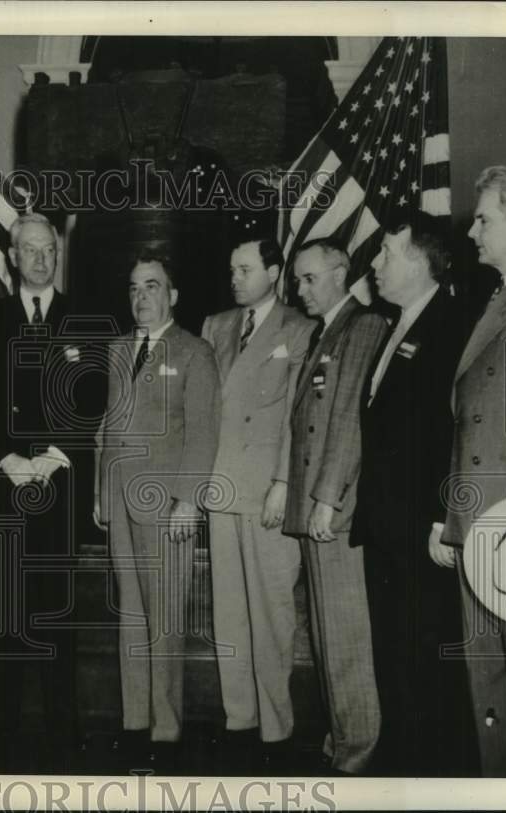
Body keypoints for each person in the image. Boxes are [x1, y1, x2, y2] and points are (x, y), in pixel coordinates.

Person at [0, 213, 107, 770]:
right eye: (30, 250)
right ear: (11, 256)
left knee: (56, 610)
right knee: (3, 610)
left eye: (49, 250)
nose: (41, 259)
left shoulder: (83, 319)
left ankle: (61, 729)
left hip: (59, 484)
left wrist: (50, 458)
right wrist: (9, 460)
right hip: (6, 485)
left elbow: (92, 398)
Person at [352, 215, 475, 776]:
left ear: (422, 261)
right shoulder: (393, 326)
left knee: (427, 656)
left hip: (422, 530)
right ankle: (401, 760)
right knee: (395, 656)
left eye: (386, 253)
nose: (374, 264)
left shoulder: (453, 325)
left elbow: (452, 430)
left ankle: (432, 772)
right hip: (384, 527)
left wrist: (438, 515)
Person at [439, 166, 506, 777]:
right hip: (479, 518)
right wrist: (449, 517)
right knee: (490, 681)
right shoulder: (499, 295)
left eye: (484, 218)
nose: (473, 230)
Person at [96, 253, 220, 768]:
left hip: (168, 505)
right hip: (122, 502)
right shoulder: (118, 350)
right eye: (133, 288)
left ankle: (165, 731)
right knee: (131, 614)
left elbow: (204, 429)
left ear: (173, 295)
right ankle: (134, 721)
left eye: (152, 287)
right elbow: (107, 428)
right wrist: (101, 493)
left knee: (165, 619)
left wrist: (189, 500)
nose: (141, 297)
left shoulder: (194, 351)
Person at [200, 237, 314, 765]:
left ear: (274, 271)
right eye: (231, 269)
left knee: (272, 613)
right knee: (229, 613)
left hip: (268, 489)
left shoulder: (300, 327)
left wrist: (285, 485)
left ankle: (276, 728)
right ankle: (239, 717)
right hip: (222, 486)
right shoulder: (216, 326)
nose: (235, 278)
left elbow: (299, 416)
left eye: (245, 269)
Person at [282, 239, 387, 775]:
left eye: (310, 279)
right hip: (315, 508)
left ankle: (357, 752)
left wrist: (326, 498)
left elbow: (346, 422)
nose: (300, 290)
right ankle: (342, 737)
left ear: (342, 274)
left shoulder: (362, 327)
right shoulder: (327, 333)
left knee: (345, 639)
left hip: (335, 511)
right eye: (297, 280)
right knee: (325, 638)